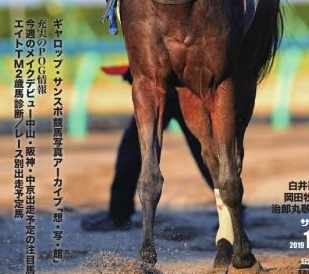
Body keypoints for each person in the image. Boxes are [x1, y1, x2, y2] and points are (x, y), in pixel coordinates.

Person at [81, 67, 214, 231]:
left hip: (187, 90)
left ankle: (230, 212)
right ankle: (118, 214)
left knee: (208, 155)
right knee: (131, 148)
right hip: (163, 88)